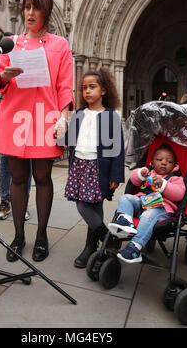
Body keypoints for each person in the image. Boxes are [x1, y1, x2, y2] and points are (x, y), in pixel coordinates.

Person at [0, 0, 74, 262]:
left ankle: (41, 235)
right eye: (26, 7)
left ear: (46, 12)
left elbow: (65, 85)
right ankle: (18, 236)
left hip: (44, 118)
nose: (29, 13)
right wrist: (3, 75)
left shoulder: (60, 45)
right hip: (14, 116)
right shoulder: (10, 42)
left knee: (42, 178)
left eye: (35, 8)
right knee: (17, 179)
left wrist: (65, 116)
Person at [64, 68, 125, 268]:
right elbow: (69, 140)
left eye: (92, 87)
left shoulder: (111, 116)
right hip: (79, 166)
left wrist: (116, 174)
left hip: (98, 168)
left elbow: (117, 148)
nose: (87, 91)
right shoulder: (80, 114)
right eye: (84, 88)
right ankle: (107, 238)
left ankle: (92, 246)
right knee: (83, 205)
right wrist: (61, 128)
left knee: (93, 207)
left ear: (104, 90)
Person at [108, 144, 185, 263]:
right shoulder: (149, 173)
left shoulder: (176, 178)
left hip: (161, 208)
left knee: (148, 214)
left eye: (169, 161)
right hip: (142, 202)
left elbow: (179, 193)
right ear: (152, 163)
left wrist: (164, 185)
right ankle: (125, 221)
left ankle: (135, 247)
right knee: (126, 198)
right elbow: (134, 180)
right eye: (159, 160)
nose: (164, 163)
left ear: (174, 165)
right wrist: (140, 172)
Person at [0, 32, 32, 221]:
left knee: (26, 165)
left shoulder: (23, 63)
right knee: (5, 164)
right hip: (4, 123)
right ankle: (5, 201)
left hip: (23, 122)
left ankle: (23, 202)